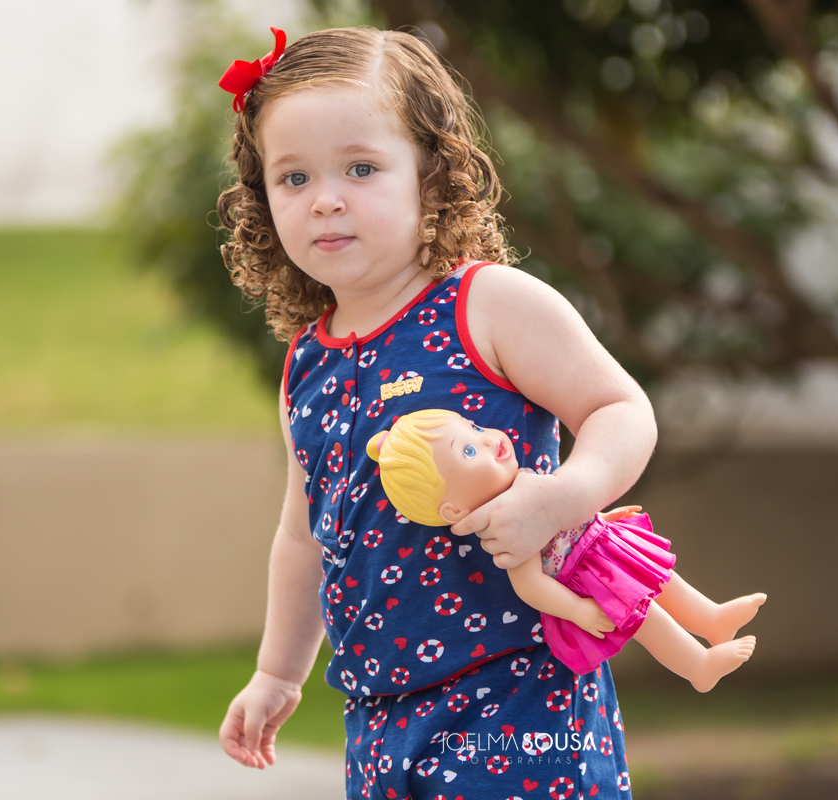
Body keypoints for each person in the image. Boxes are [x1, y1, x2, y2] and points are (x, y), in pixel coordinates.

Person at [212, 25, 743, 798]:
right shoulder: (308, 363)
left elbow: (621, 409)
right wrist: (276, 672)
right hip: (382, 714)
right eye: (293, 178)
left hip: (522, 692)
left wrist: (563, 496)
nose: (326, 199)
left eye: (361, 168)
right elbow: (303, 535)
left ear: (430, 174)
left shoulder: (487, 305)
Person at [367, 409, 763, 692]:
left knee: (661, 578)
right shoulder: (505, 526)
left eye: (474, 428)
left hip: (600, 542)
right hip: (589, 575)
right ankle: (698, 666)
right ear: (453, 510)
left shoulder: (524, 480)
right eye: (468, 451)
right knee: (645, 614)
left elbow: (561, 508)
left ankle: (712, 619)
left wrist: (600, 517)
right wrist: (577, 610)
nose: (487, 438)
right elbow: (530, 586)